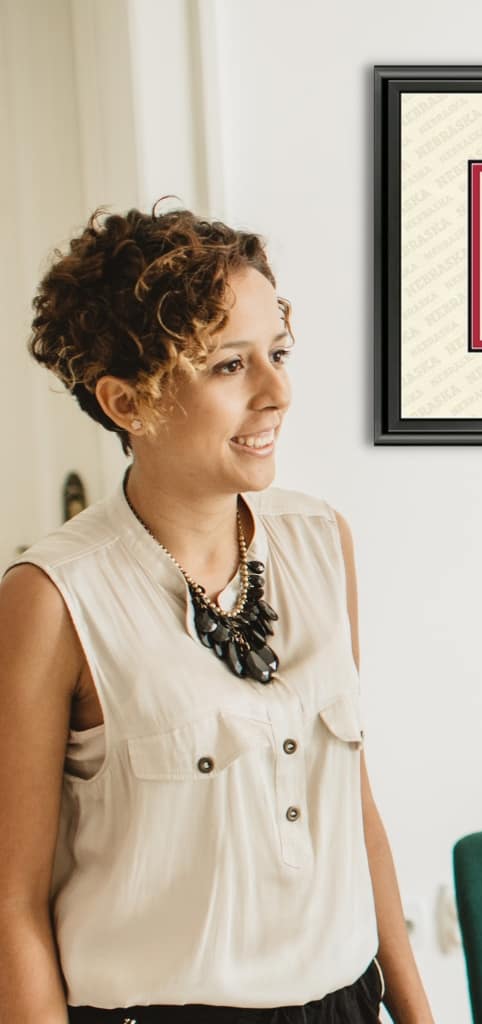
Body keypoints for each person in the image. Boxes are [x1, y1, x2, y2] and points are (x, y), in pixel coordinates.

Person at [0, 209, 433, 1022]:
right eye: (230, 365)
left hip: (346, 1003)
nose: (277, 392)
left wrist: (415, 1010)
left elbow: (354, 807)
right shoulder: (51, 600)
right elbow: (10, 906)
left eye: (278, 353)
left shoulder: (320, 543)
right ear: (127, 402)